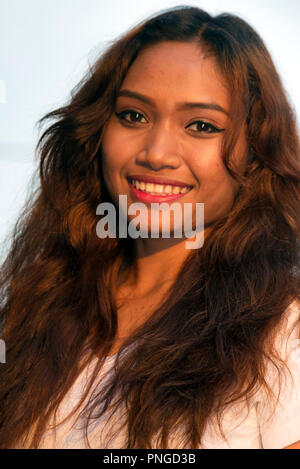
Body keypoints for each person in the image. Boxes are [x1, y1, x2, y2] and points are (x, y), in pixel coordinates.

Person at [0, 5, 300, 449]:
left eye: (201, 125)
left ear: (255, 153)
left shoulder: (284, 336)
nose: (157, 153)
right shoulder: (38, 310)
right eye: (133, 116)